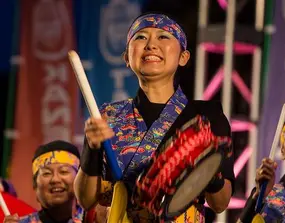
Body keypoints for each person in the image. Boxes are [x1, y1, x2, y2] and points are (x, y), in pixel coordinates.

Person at [74, 13, 235, 222]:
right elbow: (86, 200)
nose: (151, 44)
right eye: (140, 37)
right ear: (126, 58)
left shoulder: (206, 117)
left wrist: (205, 163)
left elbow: (220, 203)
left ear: (183, 57)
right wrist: (92, 149)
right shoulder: (109, 117)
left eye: (163, 37)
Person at [3, 140, 92, 223]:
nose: (55, 179)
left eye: (63, 171)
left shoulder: (95, 218)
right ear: (35, 185)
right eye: (46, 173)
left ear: (79, 180)